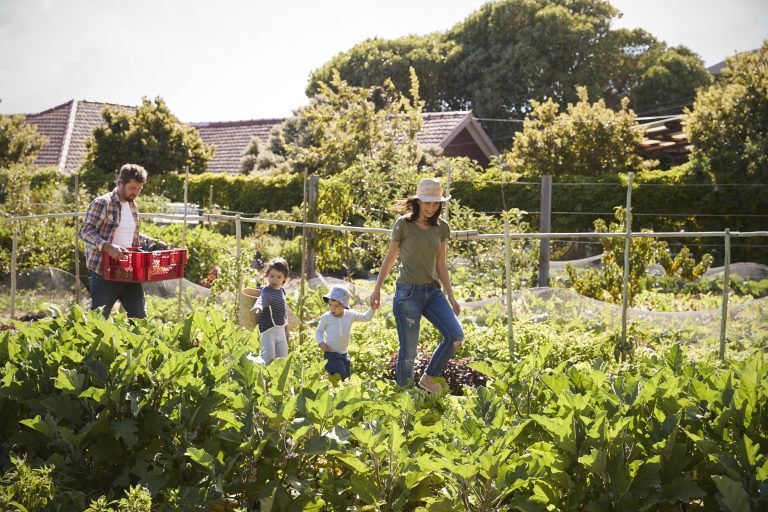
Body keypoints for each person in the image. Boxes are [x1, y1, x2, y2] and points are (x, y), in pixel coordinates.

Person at [370, 178, 463, 395]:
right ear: (418, 201)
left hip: (432, 292)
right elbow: (390, 259)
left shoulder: (442, 228)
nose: (431, 207)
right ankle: (406, 398)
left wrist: (451, 296)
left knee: (455, 336)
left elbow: (441, 264)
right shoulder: (403, 224)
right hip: (408, 293)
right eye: (427, 202)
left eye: (436, 203)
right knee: (409, 352)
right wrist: (377, 289)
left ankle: (428, 378)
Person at [79, 163, 167, 319]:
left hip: (130, 271)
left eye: (139, 189)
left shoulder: (132, 205)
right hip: (104, 272)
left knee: (140, 319)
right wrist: (107, 247)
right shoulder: (102, 203)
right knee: (97, 321)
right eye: (133, 188)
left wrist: (153, 241)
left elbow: (132, 236)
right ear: (120, 183)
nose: (136, 192)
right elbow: (85, 231)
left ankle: (136, 343)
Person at [315, 285, 374, 380]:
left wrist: (372, 308)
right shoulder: (326, 317)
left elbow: (365, 317)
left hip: (344, 353)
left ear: (344, 305)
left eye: (336, 306)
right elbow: (319, 331)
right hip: (331, 352)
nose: (332, 308)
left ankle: (338, 392)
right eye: (330, 305)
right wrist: (321, 343)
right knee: (339, 374)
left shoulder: (350, 315)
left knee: (346, 375)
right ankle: (334, 389)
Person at [251, 257, 291, 364]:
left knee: (283, 358)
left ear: (284, 279)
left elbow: (284, 312)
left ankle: (279, 380)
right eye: (272, 276)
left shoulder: (282, 291)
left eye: (279, 277)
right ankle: (263, 374)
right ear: (267, 275)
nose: (275, 280)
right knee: (269, 359)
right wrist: (259, 306)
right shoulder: (266, 291)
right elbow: (262, 299)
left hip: (281, 331)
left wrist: (286, 329)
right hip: (268, 330)